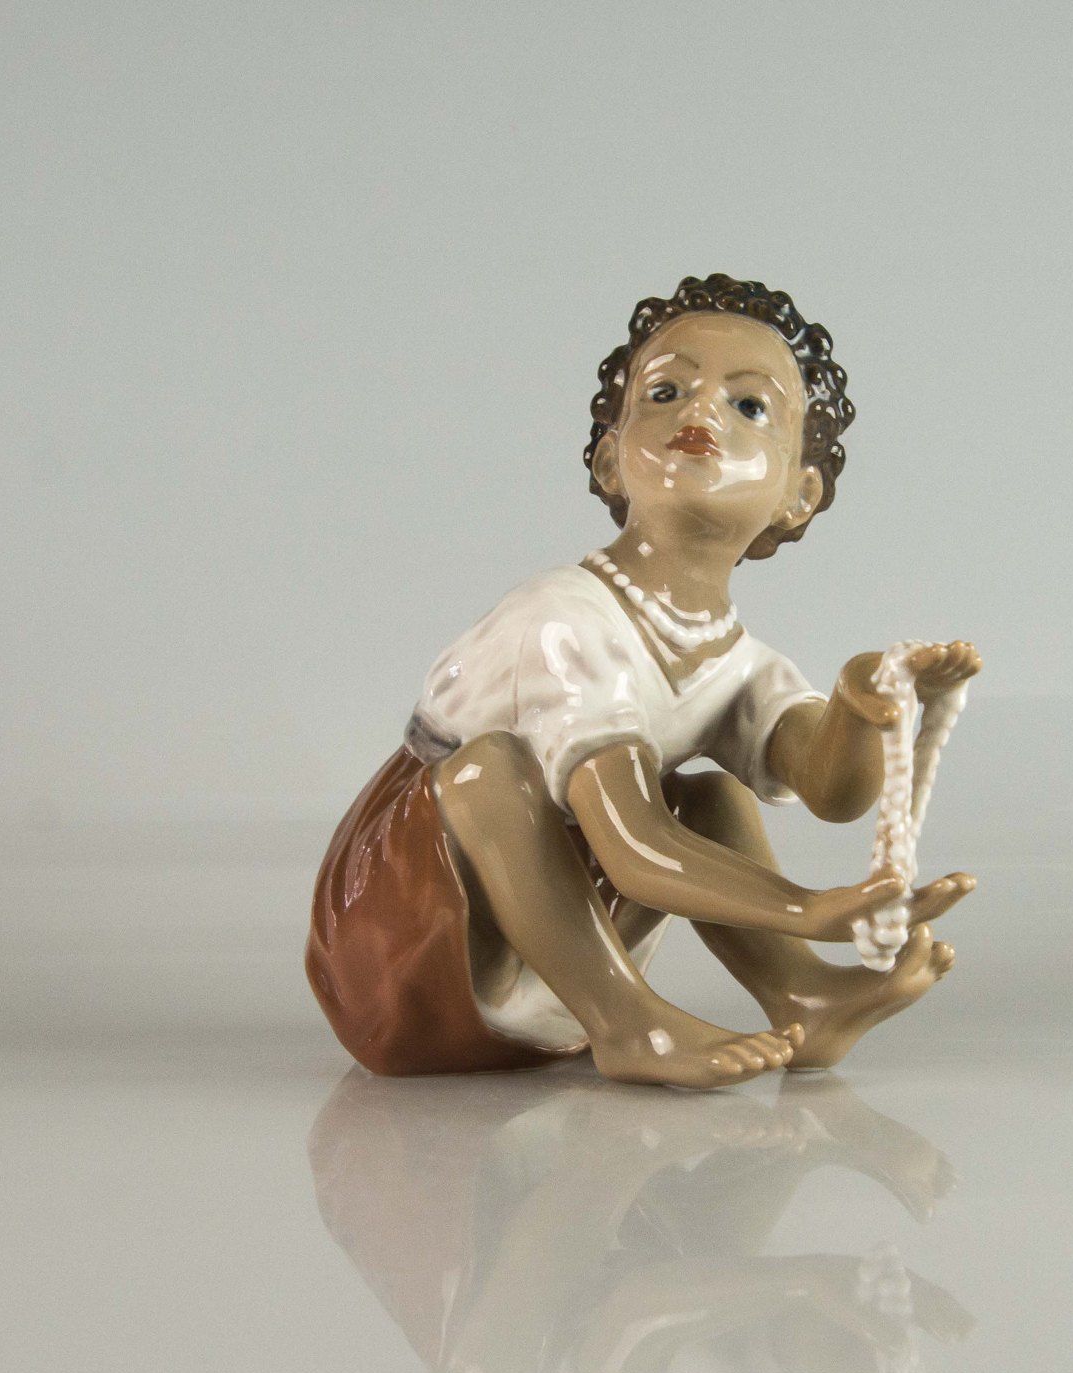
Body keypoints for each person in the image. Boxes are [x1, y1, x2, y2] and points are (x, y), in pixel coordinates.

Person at [305, 274, 981, 1088]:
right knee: (492, 771)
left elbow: (831, 791)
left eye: (749, 406)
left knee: (710, 797)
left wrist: (861, 710)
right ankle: (628, 1025)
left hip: (542, 942)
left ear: (799, 495)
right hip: (410, 954)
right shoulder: (566, 620)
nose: (701, 414)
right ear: (610, 460)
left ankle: (803, 993)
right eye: (665, 392)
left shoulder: (731, 656)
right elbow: (632, 850)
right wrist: (806, 905)